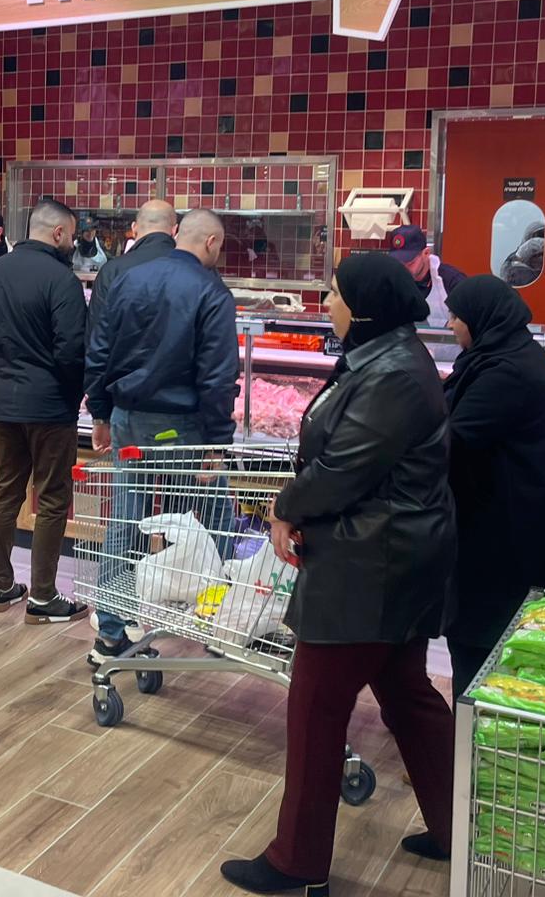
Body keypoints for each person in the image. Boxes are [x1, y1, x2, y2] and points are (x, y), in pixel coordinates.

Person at [222, 253, 456, 895]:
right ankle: (458, 829)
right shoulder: (385, 357)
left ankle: (297, 863)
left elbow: (344, 469)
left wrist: (285, 506)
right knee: (407, 695)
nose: (325, 303)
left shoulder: (393, 373)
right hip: (392, 556)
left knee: (317, 708)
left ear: (366, 306)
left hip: (370, 563)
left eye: (333, 294)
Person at [84, 208, 240, 662]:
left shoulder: (127, 278)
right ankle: (214, 616)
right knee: (215, 517)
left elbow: (99, 352)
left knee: (126, 519)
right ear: (210, 242)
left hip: (128, 418)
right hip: (183, 426)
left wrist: (100, 412)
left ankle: (110, 631)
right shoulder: (211, 290)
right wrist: (218, 444)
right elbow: (218, 377)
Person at [441, 275, 545, 695]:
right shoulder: (499, 357)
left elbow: (453, 439)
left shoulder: (508, 372)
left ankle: (474, 733)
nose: (450, 325)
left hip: (506, 539)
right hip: (499, 527)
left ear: (481, 318)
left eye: (456, 316)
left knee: (488, 659)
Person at [0, 199, 87, 622]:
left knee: (6, 490)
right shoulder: (62, 281)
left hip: (4, 403)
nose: (73, 242)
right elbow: (72, 351)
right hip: (51, 407)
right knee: (52, 498)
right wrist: (74, 393)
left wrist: (7, 371)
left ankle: (1, 587)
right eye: (71, 235)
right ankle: (43, 596)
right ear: (58, 233)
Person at [85, 199, 177, 335]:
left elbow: (96, 331)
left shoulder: (112, 270)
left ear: (134, 228)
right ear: (174, 230)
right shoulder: (191, 270)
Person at [386, 224, 465, 327]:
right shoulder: (390, 281)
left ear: (426, 253)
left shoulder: (452, 281)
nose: (403, 269)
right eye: (399, 263)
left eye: (410, 263)